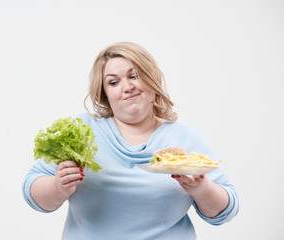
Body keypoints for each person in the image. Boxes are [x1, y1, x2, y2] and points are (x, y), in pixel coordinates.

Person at [22, 42, 239, 239]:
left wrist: (202, 189)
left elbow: (225, 212)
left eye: (134, 76)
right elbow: (34, 193)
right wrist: (58, 186)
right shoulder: (82, 131)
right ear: (104, 94)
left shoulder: (184, 139)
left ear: (152, 81)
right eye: (114, 82)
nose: (127, 87)